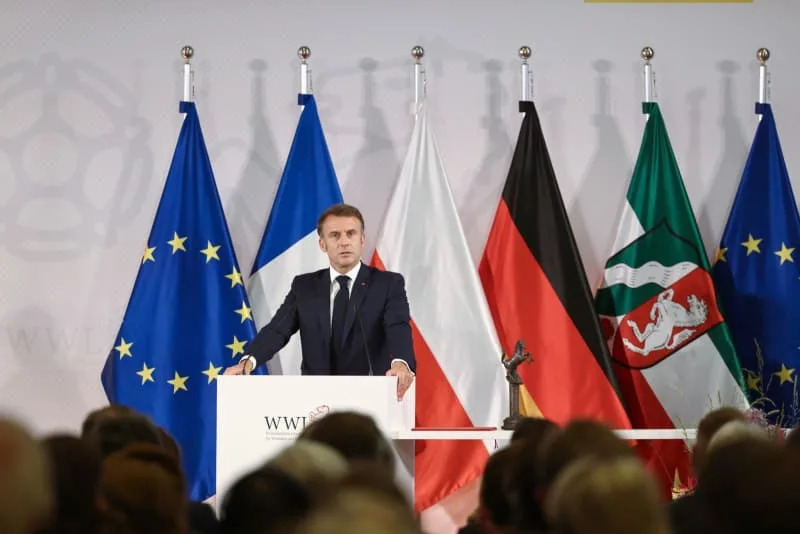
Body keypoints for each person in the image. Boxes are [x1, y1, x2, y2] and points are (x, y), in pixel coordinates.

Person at [225, 203, 415, 399]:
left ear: (362, 240)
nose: (344, 242)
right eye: (335, 235)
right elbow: (277, 330)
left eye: (351, 234)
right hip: (315, 398)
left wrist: (401, 362)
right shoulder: (304, 286)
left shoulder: (388, 284)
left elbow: (398, 327)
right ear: (322, 244)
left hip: (370, 395)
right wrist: (249, 360)